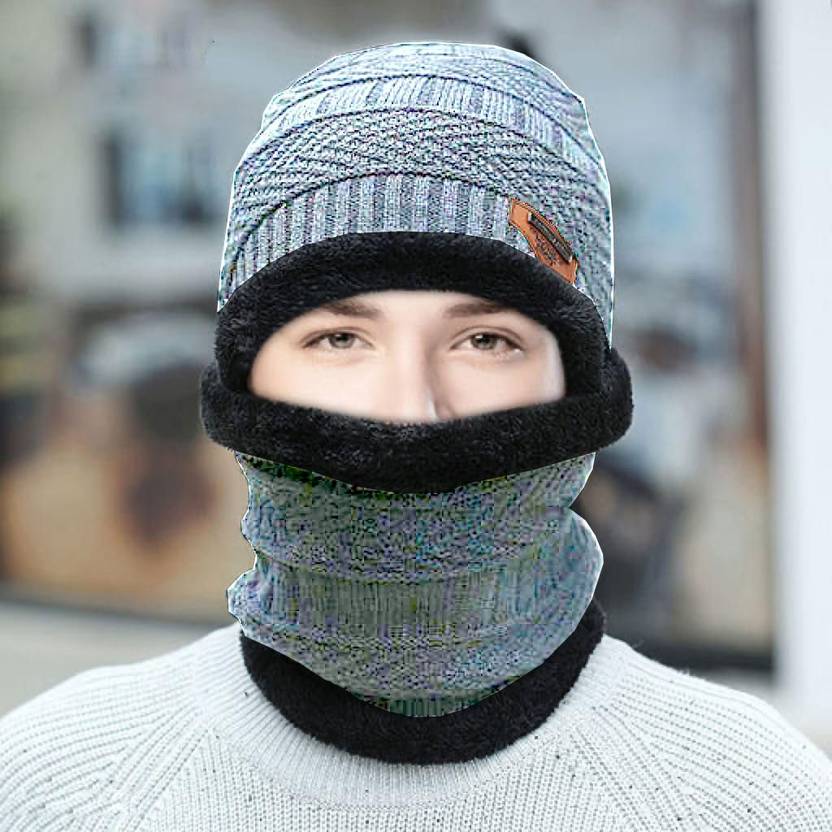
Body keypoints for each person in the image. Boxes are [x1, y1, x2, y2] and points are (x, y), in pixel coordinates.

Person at [1, 40, 831, 831]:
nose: (410, 408)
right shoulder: (58, 789)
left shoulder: (749, 800)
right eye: (339, 338)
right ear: (245, 374)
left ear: (580, 380)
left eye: (485, 341)